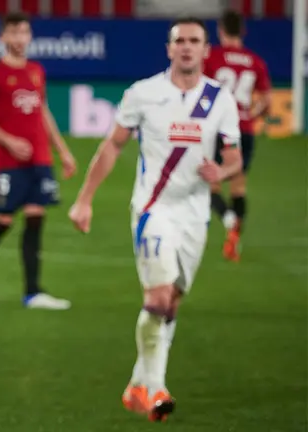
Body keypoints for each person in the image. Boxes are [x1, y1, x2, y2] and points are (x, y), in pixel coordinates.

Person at [68, 18, 242, 422]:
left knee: (173, 302)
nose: (186, 47)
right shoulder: (144, 94)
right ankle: (156, 387)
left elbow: (233, 157)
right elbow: (112, 146)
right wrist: (84, 200)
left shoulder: (221, 100)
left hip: (195, 217)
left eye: (194, 41)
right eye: (179, 40)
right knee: (158, 298)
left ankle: (136, 385)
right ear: (168, 49)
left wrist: (224, 172)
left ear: (205, 50)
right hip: (153, 209)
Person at [0, 12, 76, 309]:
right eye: (14, 33)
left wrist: (62, 151)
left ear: (29, 36)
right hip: (8, 162)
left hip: (39, 159)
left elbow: (43, 111)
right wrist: (11, 141)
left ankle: (33, 292)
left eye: (24, 32)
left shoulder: (36, 71)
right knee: (3, 220)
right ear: (3, 37)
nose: (20, 38)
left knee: (36, 218)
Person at [203, 9, 272, 261]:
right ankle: (234, 238)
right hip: (244, 129)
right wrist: (250, 114)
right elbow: (266, 101)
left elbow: (206, 94)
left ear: (221, 31)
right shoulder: (255, 61)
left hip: (218, 129)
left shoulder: (213, 57)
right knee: (238, 184)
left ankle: (228, 219)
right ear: (243, 31)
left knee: (210, 183)